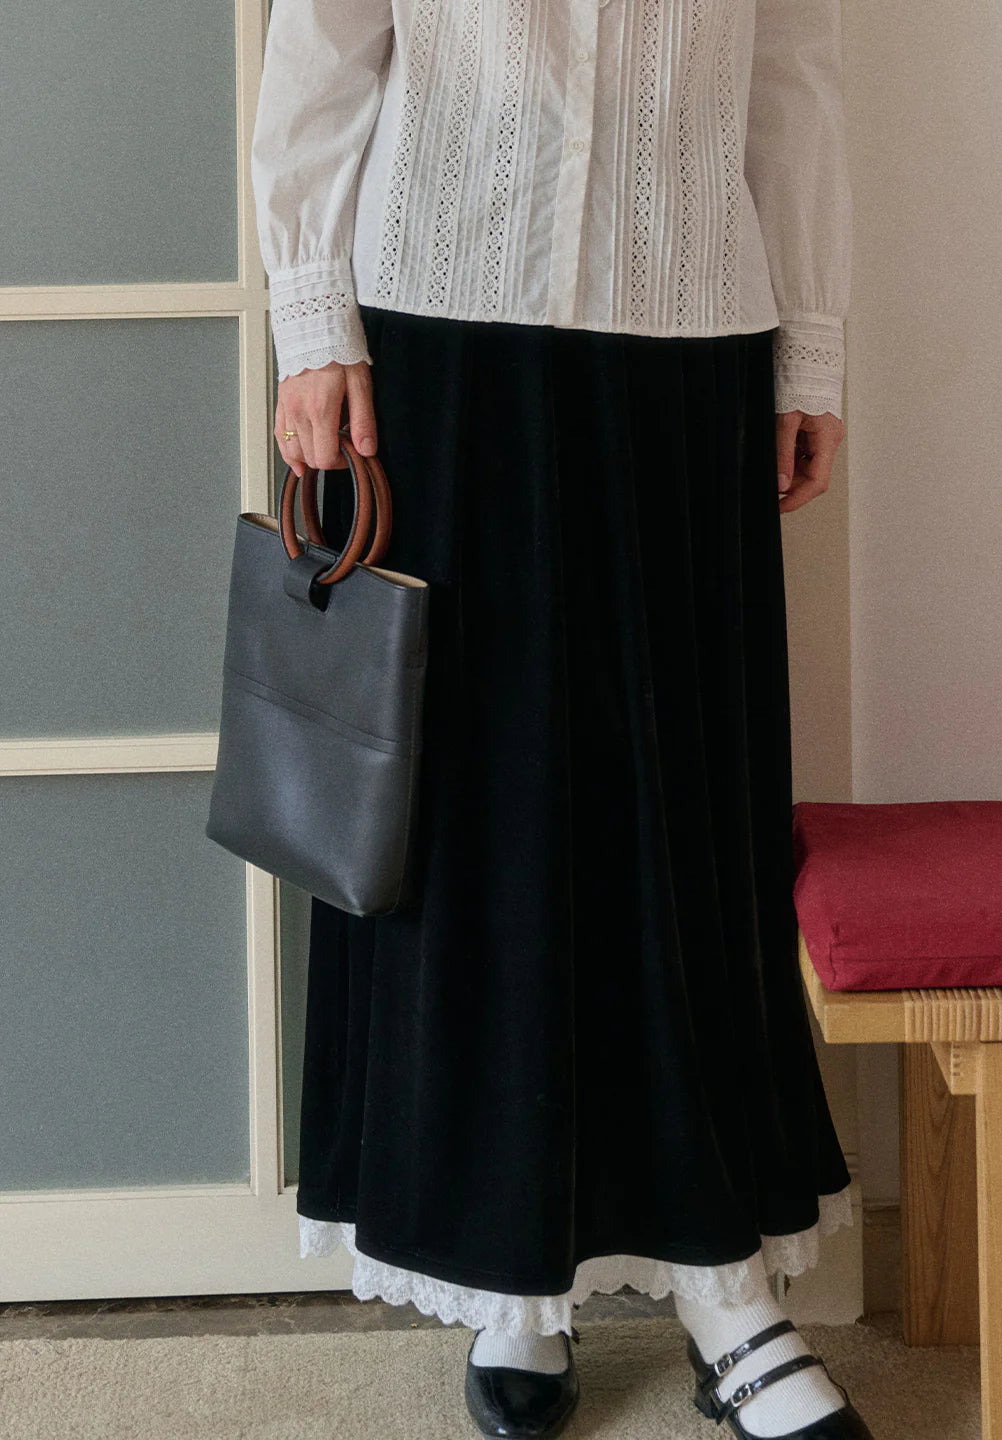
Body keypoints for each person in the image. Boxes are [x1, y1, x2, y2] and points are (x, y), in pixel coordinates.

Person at [250, 1, 875, 1436]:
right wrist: (310, 318)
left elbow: (795, 72)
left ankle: (728, 1291)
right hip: (434, 336)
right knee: (472, 824)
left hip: (692, 332)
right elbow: (324, 48)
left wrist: (813, 350)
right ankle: (507, 1285)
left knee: (685, 817)